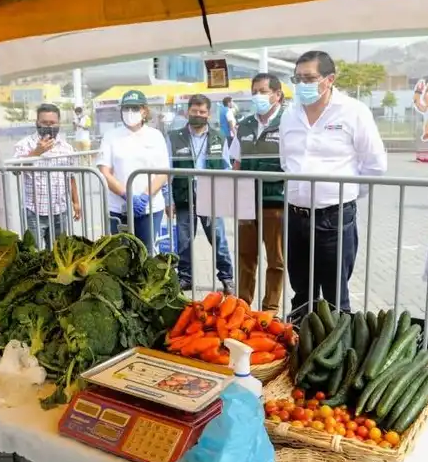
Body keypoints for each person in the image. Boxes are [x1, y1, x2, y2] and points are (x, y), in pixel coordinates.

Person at [280, 51, 387, 315]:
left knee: (335, 296)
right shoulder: (289, 115)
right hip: (296, 215)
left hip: (335, 216)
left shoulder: (353, 112)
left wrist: (344, 195)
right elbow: (286, 162)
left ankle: (336, 351)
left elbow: (374, 165)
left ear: (329, 79)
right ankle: (299, 347)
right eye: (298, 78)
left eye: (309, 78)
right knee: (301, 292)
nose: (302, 84)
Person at [226, 73, 287, 313]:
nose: (257, 96)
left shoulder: (288, 123)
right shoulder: (245, 124)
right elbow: (236, 163)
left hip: (276, 201)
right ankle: (242, 305)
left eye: (263, 91)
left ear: (277, 95)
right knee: (245, 256)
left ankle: (270, 308)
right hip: (247, 201)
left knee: (276, 259)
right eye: (255, 92)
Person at [166, 94, 235, 294]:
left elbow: (226, 168)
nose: (198, 115)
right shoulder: (174, 137)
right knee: (184, 239)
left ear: (208, 113)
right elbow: (168, 170)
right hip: (183, 193)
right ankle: (185, 277)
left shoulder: (218, 136)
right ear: (187, 111)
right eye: (194, 111)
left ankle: (227, 277)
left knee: (219, 238)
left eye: (202, 112)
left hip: (210, 194)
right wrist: (169, 199)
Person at [97, 90, 170, 253]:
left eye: (135, 108)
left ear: (144, 110)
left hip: (149, 208)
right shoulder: (111, 136)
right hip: (118, 208)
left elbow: (163, 172)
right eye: (126, 108)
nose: (130, 112)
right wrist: (127, 195)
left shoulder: (155, 136)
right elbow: (104, 171)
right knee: (120, 256)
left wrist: (144, 197)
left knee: (146, 254)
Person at [12, 103, 82, 249]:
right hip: (35, 212)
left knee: (58, 252)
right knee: (33, 252)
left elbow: (70, 177)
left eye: (52, 123)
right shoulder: (25, 144)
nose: (49, 126)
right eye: (44, 123)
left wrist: (76, 202)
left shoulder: (66, 147)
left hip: (60, 211)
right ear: (37, 123)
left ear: (59, 123)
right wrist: (36, 153)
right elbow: (15, 169)